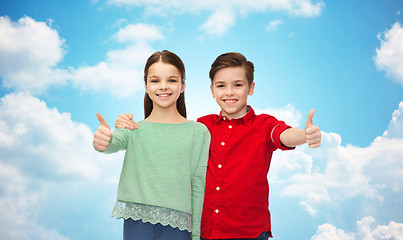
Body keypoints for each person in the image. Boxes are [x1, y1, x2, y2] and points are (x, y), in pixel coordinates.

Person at [114, 52, 321, 240]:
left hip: (249, 233)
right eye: (221, 86)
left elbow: (283, 135)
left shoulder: (263, 125)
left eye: (238, 85)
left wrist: (304, 135)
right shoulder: (202, 126)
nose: (229, 92)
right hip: (207, 233)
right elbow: (169, 140)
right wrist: (127, 124)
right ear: (212, 90)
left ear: (251, 88)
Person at [93, 50, 210, 240]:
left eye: (171, 80)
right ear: (146, 86)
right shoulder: (132, 128)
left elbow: (198, 186)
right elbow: (112, 143)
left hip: (179, 227)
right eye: (155, 80)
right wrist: (102, 140)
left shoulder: (198, 132)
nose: (163, 86)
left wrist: (196, 235)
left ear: (182, 86)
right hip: (137, 223)